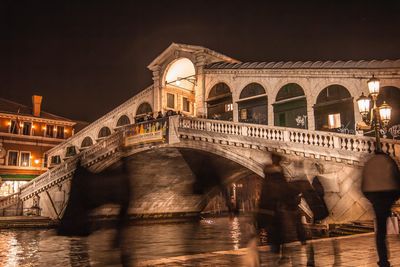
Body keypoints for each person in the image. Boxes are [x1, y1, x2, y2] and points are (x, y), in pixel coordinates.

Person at [362, 151, 400, 267]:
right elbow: (397, 179)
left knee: (381, 232)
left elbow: (363, 184)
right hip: (388, 194)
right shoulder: (389, 161)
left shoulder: (369, 163)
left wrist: (371, 199)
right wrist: (394, 197)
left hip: (375, 197)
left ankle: (383, 260)